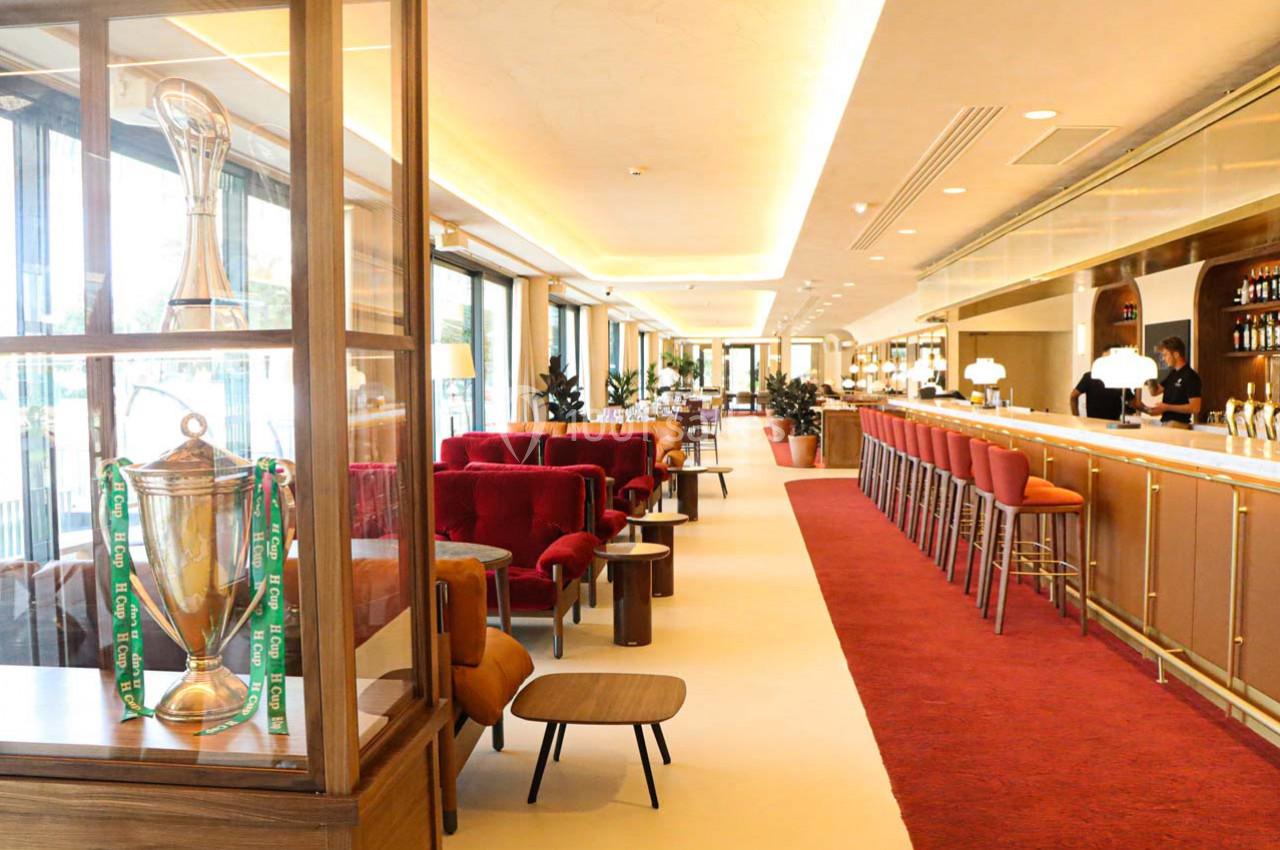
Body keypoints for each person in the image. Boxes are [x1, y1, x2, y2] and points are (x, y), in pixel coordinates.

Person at [1140, 336, 1202, 426]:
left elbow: (1195, 408)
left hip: (1178, 424)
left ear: (1176, 354)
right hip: (1165, 422)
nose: (1164, 359)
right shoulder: (1172, 374)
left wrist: (1167, 407)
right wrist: (1149, 374)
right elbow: (1154, 392)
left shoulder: (1190, 376)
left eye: (1165, 355)